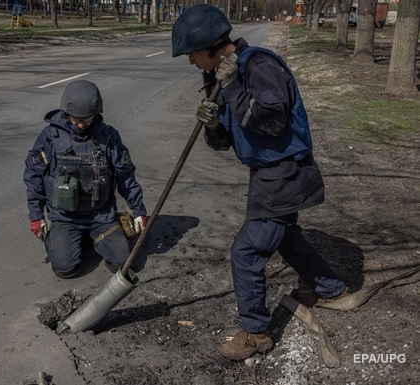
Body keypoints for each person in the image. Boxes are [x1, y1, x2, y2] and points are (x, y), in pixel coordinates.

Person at [171, 4, 348, 360]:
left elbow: (270, 125)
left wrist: (233, 87)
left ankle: (256, 332)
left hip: (286, 173)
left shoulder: (258, 66)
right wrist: (212, 123)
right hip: (268, 174)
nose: (190, 62)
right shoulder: (222, 76)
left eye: (190, 53)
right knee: (286, 236)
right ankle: (331, 289)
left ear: (210, 46)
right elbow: (223, 143)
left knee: (247, 252)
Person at [23, 79, 147, 279]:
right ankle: (64, 238)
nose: (81, 124)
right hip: (65, 217)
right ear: (66, 112)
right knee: (65, 269)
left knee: (122, 264)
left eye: (87, 119)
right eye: (76, 119)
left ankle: (98, 236)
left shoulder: (107, 136)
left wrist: (139, 210)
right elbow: (33, 177)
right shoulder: (50, 136)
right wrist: (36, 216)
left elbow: (126, 175)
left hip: (101, 216)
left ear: (96, 114)